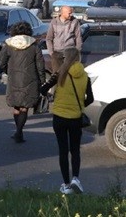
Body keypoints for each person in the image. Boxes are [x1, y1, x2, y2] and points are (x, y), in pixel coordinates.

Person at [39, 46, 94, 195]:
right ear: (78, 58)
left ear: (65, 58)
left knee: (63, 151)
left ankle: (66, 184)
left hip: (59, 117)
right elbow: (91, 98)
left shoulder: (59, 74)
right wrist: (80, 105)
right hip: (76, 117)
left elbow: (43, 89)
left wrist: (51, 96)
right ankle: (76, 178)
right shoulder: (85, 76)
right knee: (75, 150)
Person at [0, 21, 45, 143]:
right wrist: (42, 81)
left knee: (16, 107)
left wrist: (8, 71)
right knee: (25, 107)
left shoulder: (9, 45)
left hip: (14, 78)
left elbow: (1, 62)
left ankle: (18, 131)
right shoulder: (34, 46)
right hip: (30, 79)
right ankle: (19, 131)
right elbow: (40, 65)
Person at [46, 6, 82, 73]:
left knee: (70, 75)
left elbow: (78, 38)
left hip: (70, 54)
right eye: (69, 13)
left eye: (71, 13)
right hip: (57, 54)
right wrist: (51, 53)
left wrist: (77, 51)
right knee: (57, 76)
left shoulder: (75, 22)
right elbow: (49, 38)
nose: (71, 15)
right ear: (63, 13)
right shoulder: (54, 22)